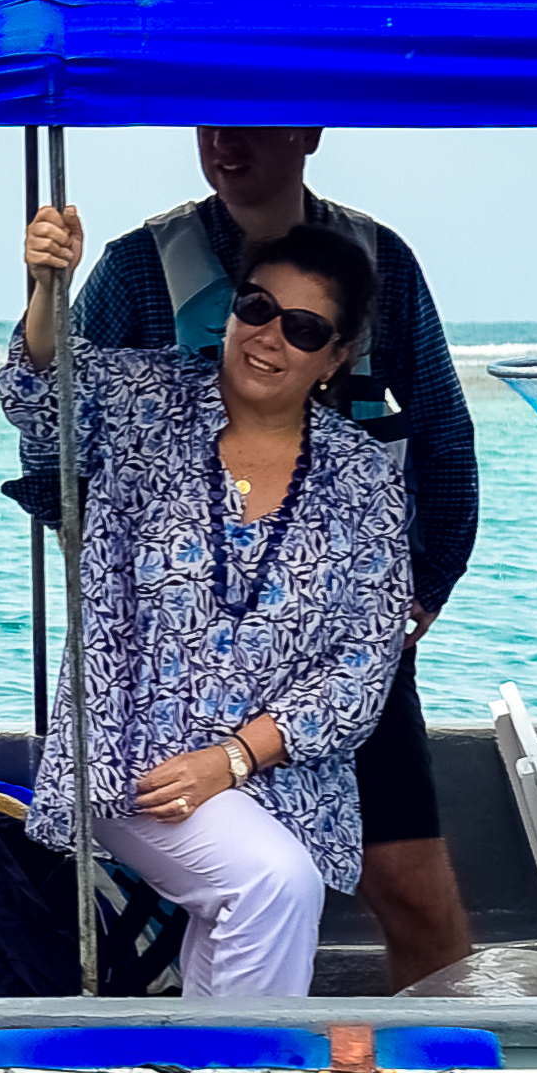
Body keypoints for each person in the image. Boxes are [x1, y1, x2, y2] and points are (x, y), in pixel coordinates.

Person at [63, 128, 484, 983]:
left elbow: (440, 425)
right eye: (206, 119)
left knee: (410, 883)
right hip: (172, 671)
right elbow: (57, 430)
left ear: (308, 131)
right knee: (256, 879)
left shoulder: (380, 262)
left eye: (251, 119)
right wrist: (120, 569)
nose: (224, 142)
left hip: (323, 638)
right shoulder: (135, 266)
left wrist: (429, 581)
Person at [7, 198, 420, 1001]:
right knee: (273, 886)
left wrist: (232, 759)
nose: (270, 337)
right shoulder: (146, 402)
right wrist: (47, 290)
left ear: (335, 357)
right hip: (129, 755)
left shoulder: (363, 476)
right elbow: (41, 392)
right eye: (257, 309)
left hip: (280, 778)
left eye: (302, 329)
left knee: (243, 918)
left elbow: (363, 668)